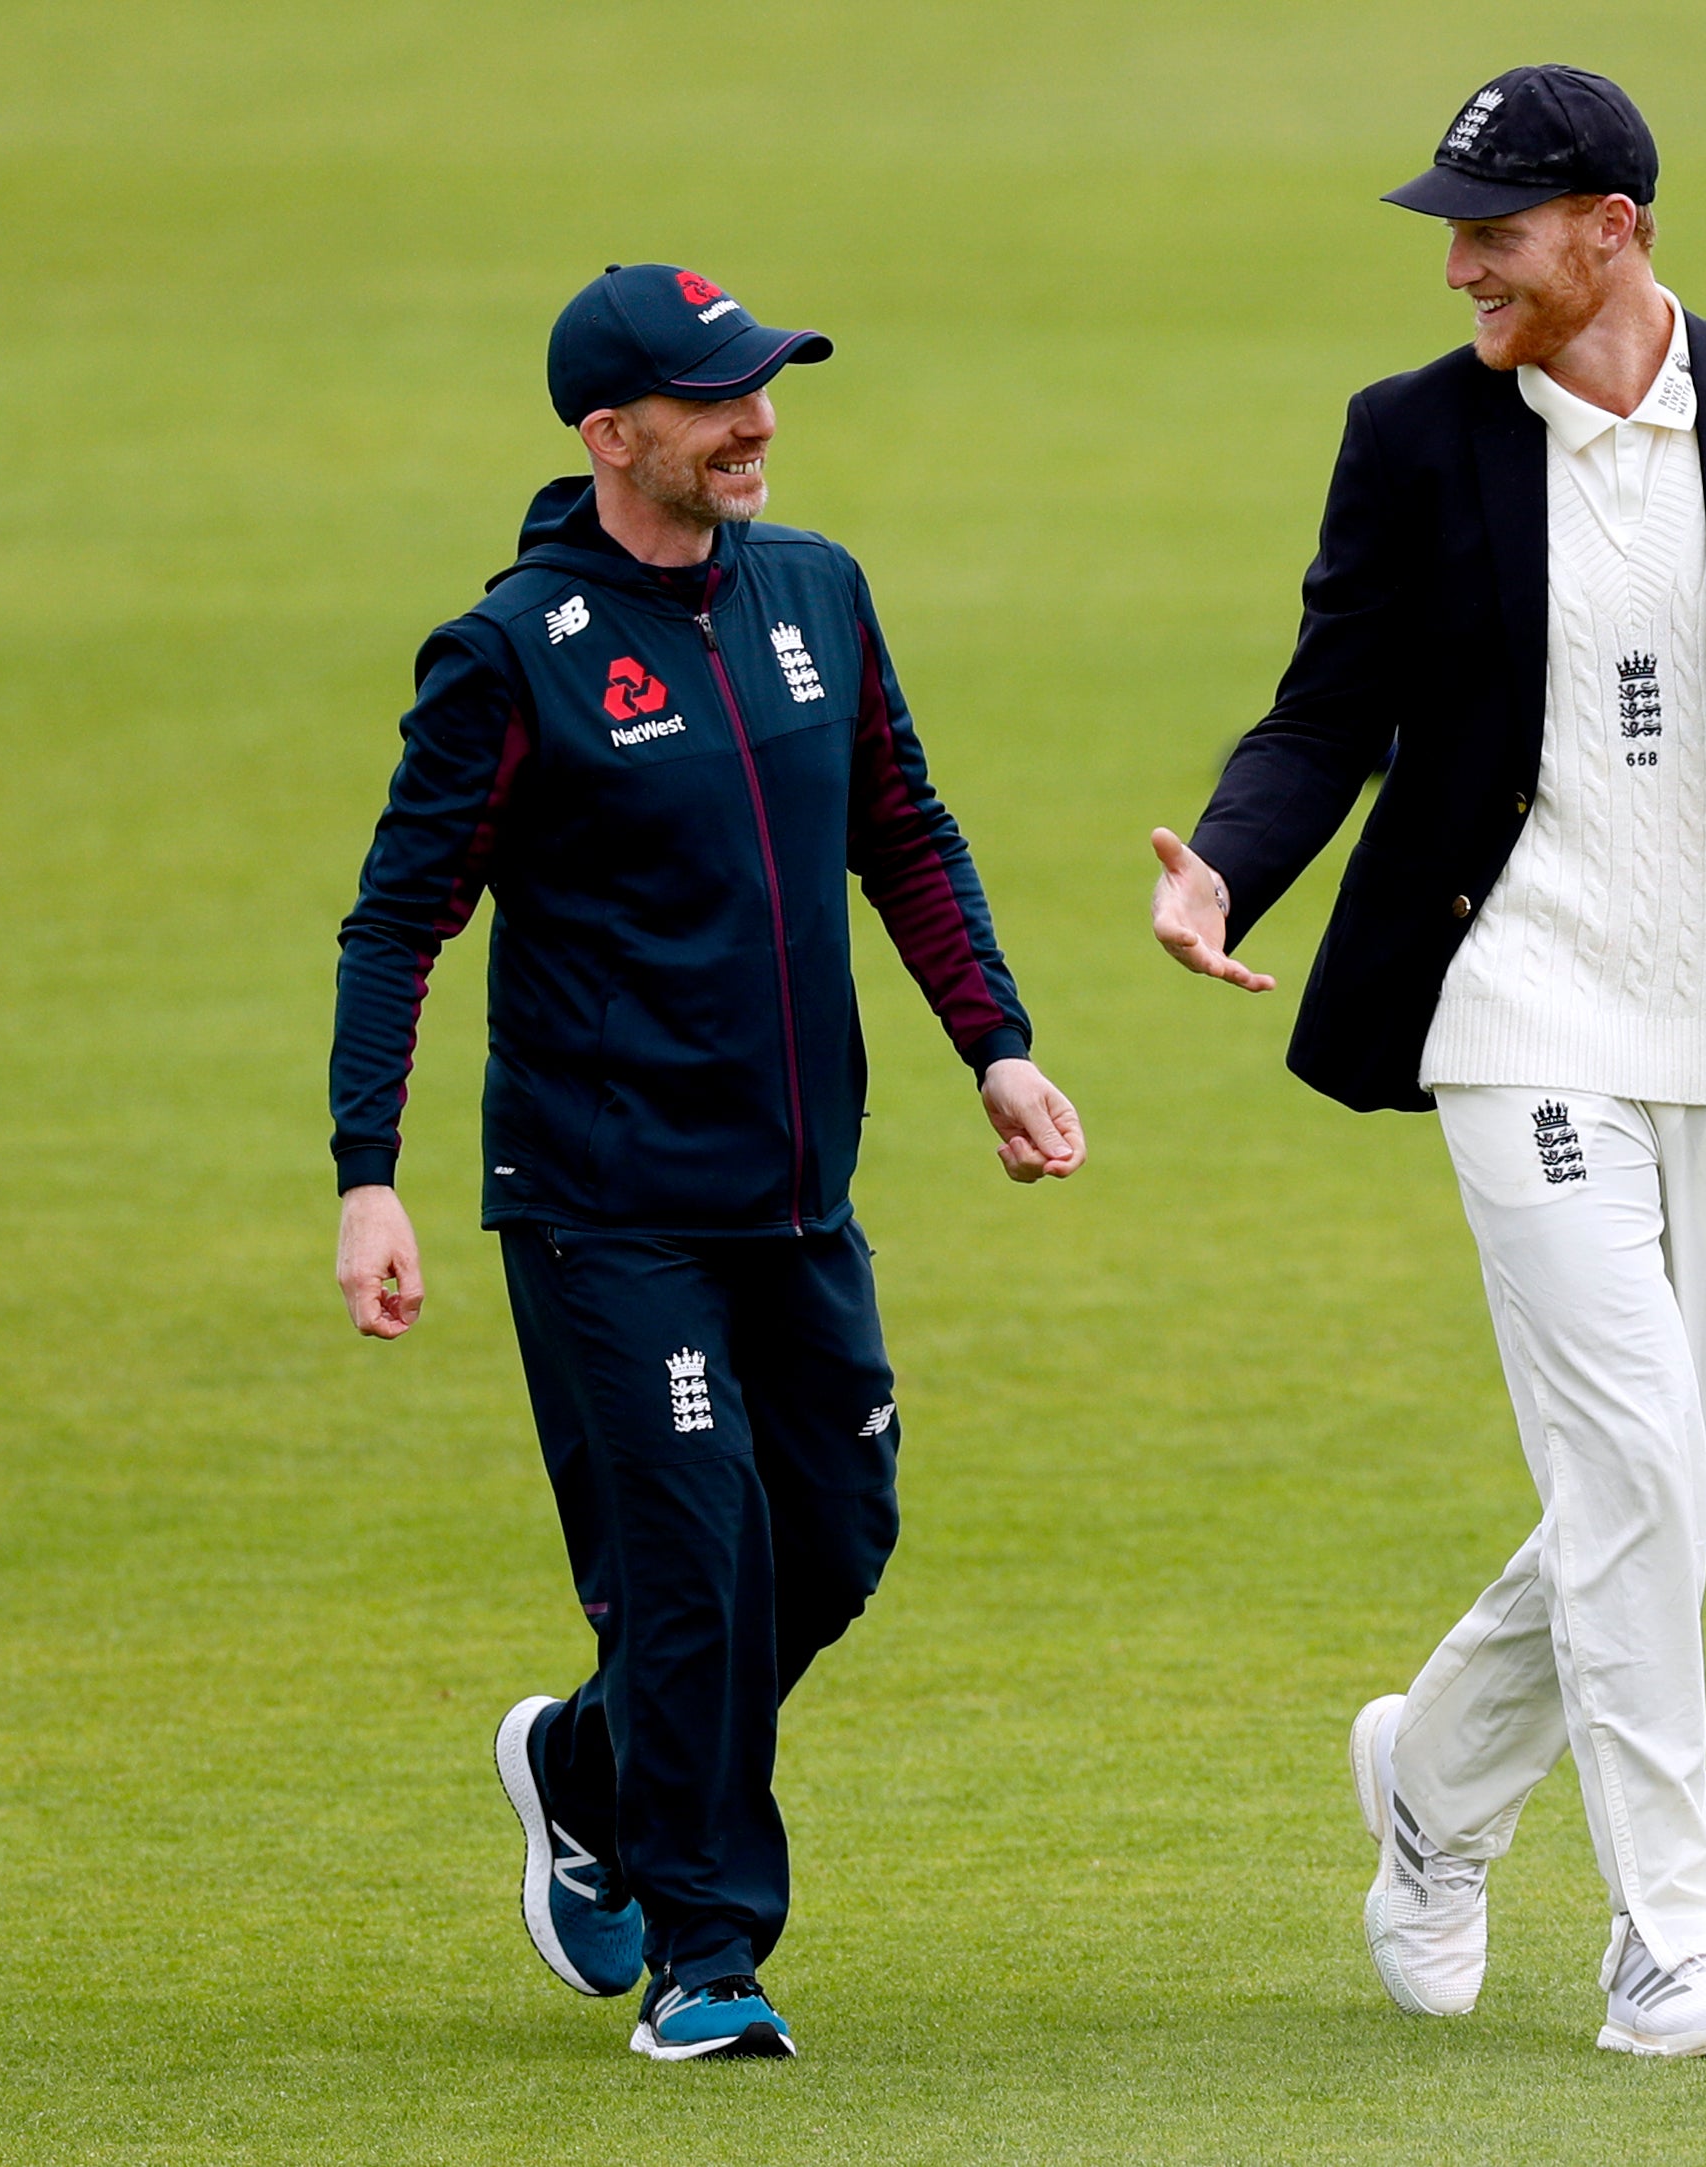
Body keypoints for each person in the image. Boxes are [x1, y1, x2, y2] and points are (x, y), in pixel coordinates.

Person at [1149, 67, 1706, 2059]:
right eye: (1450, 227)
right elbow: (1330, 701)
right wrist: (1225, 863)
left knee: (1692, 1473)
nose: (1459, 259)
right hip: (1516, 1002)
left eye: (1494, 224)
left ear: (1614, 229)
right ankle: (1672, 1937)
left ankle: (1435, 1780)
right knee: (1633, 1453)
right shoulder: (1410, 439)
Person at [331, 264, 1084, 2062]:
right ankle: (707, 1954)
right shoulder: (512, 654)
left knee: (827, 1537)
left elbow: (898, 822)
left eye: (765, 388)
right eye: (714, 400)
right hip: (608, 1210)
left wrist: (997, 1044)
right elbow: (396, 922)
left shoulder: (815, 590)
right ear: (611, 436)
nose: (755, 422)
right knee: (686, 1562)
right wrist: (371, 1169)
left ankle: (582, 1768)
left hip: (801, 1189)